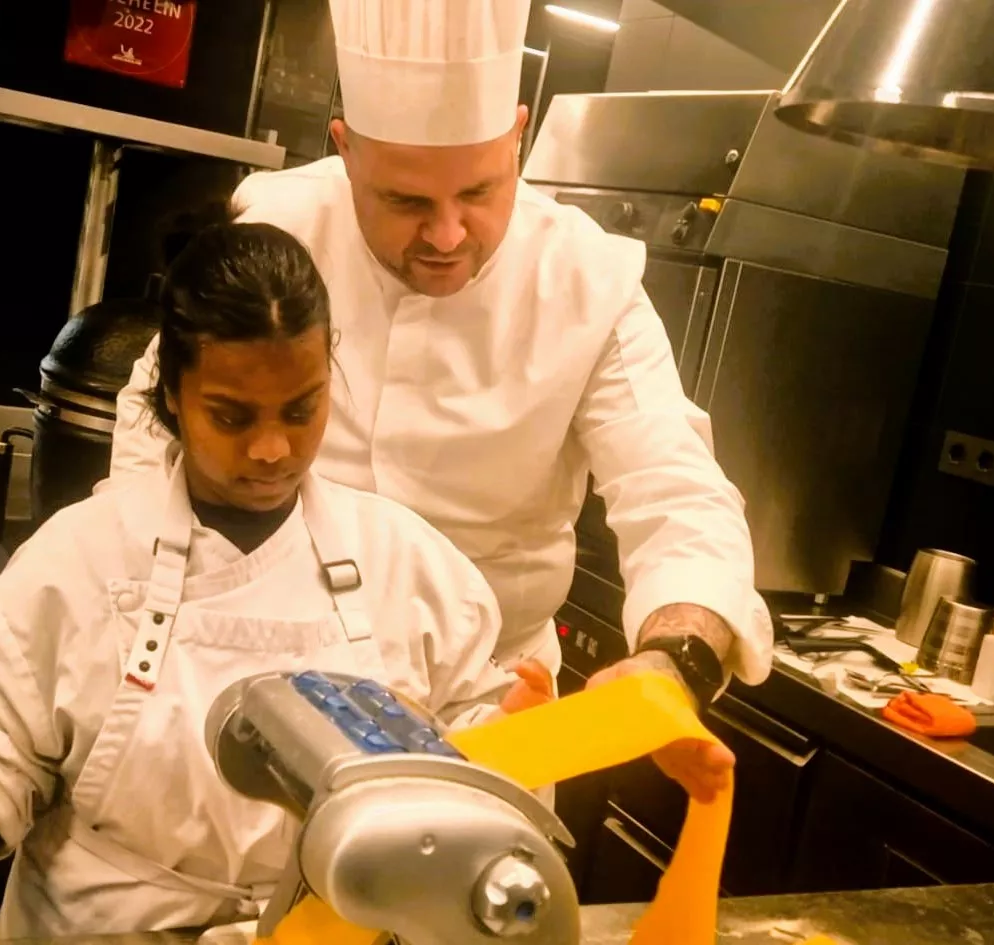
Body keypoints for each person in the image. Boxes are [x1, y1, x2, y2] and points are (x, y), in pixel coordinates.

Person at [0, 220, 552, 938]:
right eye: (232, 414)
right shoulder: (82, 556)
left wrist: (508, 743)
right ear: (171, 397)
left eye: (301, 408)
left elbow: (471, 766)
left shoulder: (410, 564)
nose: (272, 448)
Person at [110, 0, 775, 804]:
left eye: (481, 190)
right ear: (346, 151)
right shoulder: (276, 217)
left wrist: (674, 662)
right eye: (405, 202)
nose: (449, 234)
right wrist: (134, 599)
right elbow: (157, 420)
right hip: (245, 686)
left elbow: (678, 492)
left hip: (489, 719)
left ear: (517, 138)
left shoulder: (588, 282)